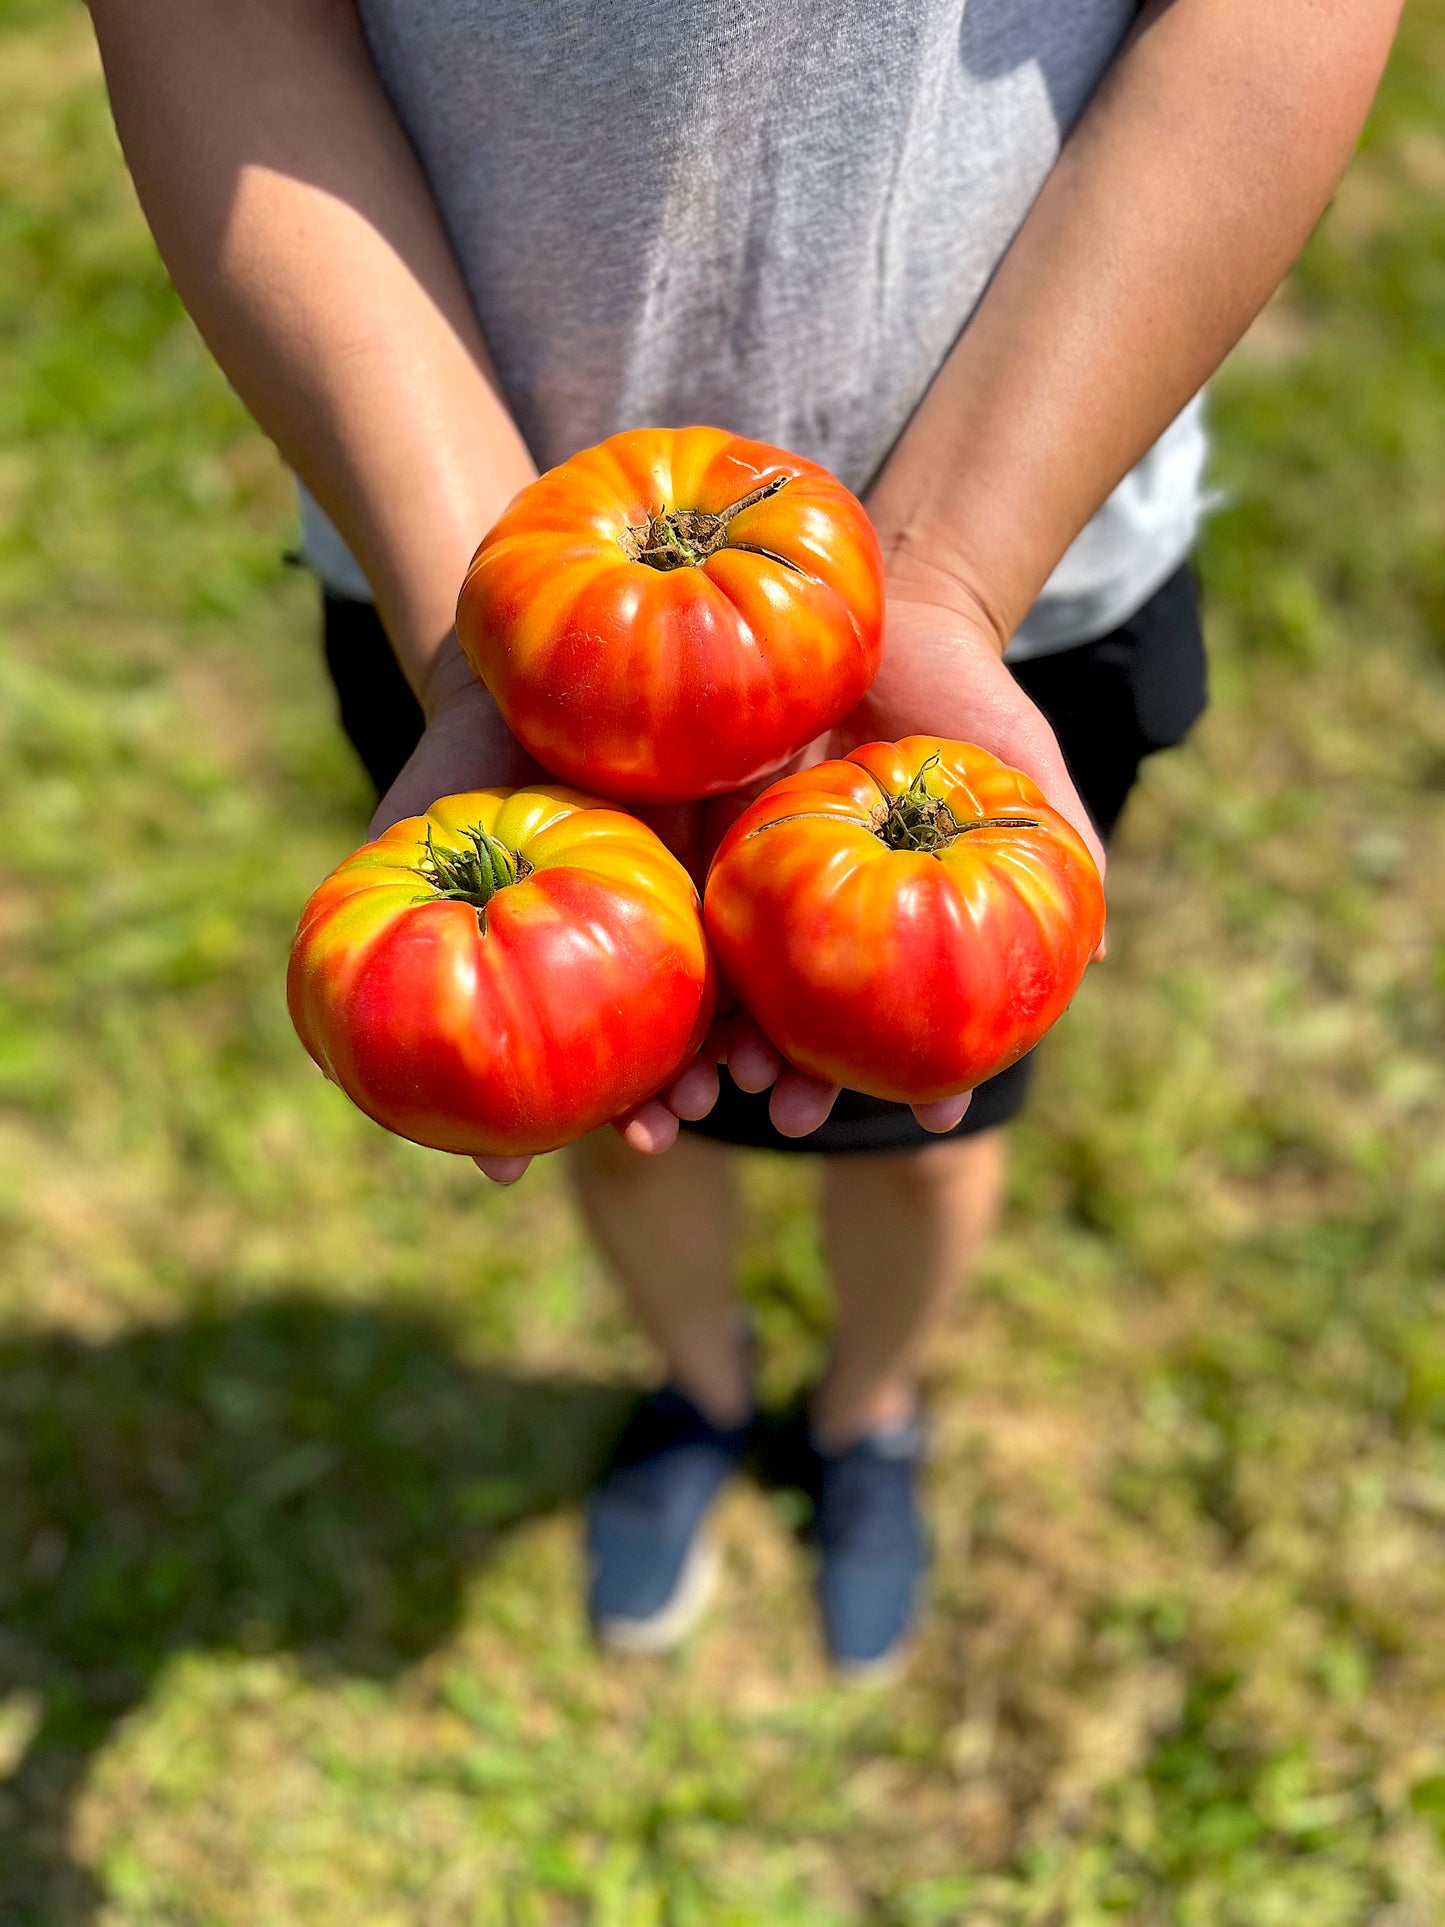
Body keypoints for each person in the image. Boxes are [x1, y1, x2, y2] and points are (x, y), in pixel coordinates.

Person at [91, 0, 1400, 1676]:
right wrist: (470, 626)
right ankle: (697, 1388)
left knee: (930, 1127)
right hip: (462, 569)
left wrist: (954, 577)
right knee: (632, 1126)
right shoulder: (485, 657)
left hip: (1022, 537)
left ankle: (867, 1411)